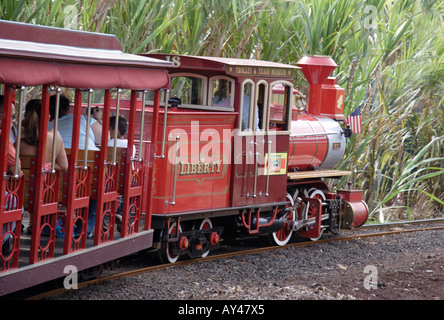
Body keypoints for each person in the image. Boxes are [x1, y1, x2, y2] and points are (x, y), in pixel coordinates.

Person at [19, 99, 68, 236]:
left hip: (18, 193)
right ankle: (35, 226)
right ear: (48, 116)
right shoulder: (54, 136)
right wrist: (45, 166)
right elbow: (64, 165)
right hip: (42, 193)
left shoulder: (18, 138)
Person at [0, 95, 22, 254]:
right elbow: (15, 169)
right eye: (13, 117)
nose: (14, 121)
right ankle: (3, 239)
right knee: (13, 202)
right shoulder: (3, 137)